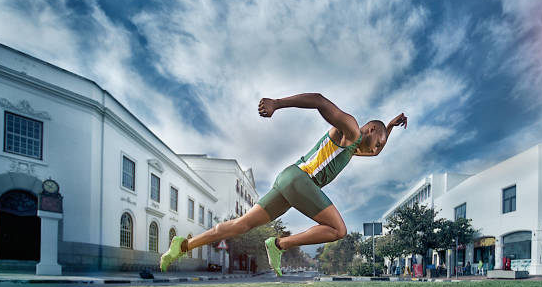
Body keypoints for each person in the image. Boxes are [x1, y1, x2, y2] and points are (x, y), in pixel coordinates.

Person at [160, 93, 408, 275]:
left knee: (241, 224)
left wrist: (390, 126)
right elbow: (320, 101)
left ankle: (182, 245)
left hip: (289, 181)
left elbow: (374, 153)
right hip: (300, 180)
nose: (377, 150)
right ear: (370, 128)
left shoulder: (353, 147)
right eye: (378, 142)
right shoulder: (351, 130)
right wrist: (277, 104)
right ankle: (279, 244)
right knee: (338, 230)